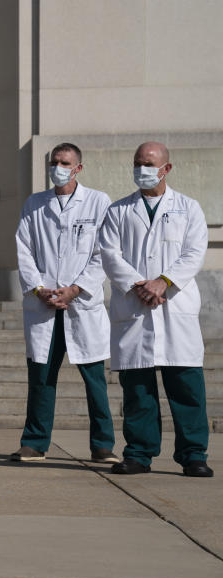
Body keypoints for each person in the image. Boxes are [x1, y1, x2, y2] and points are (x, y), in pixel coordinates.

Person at [99, 141, 213, 478]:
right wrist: (141, 286)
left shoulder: (189, 208)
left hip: (174, 307)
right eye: (137, 163)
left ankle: (193, 454)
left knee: (187, 388)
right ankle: (138, 453)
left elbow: (194, 253)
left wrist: (162, 282)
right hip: (136, 307)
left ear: (166, 168)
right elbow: (109, 253)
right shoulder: (118, 211)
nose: (142, 170)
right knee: (138, 390)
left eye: (149, 164)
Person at [11, 143, 118, 463]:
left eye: (64, 162)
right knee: (41, 376)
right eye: (54, 162)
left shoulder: (98, 202)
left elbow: (105, 252)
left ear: (78, 168)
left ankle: (103, 445)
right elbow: (24, 250)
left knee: (94, 379)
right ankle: (34, 442)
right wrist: (39, 288)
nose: (58, 167)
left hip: (81, 304)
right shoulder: (34, 204)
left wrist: (75, 289)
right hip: (44, 305)